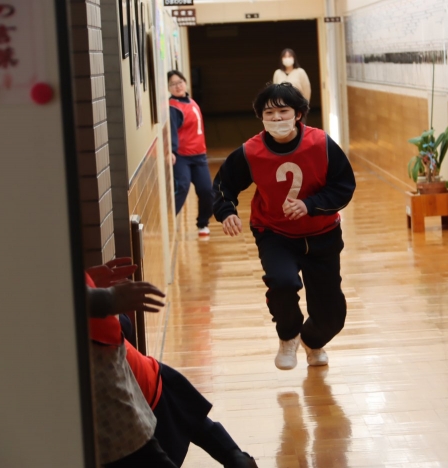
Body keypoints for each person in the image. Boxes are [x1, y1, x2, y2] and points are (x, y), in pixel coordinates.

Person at [212, 83, 356, 371]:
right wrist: (226, 211)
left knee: (332, 315)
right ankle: (288, 336)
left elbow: (344, 186)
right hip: (274, 233)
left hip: (323, 235)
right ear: (261, 117)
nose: (277, 118)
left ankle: (312, 341)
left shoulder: (320, 143)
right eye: (269, 113)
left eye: (283, 111)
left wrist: (310, 205)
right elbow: (223, 185)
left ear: (298, 114)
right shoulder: (251, 151)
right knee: (283, 283)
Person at [88, 259, 258, 468]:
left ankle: (237, 459)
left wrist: (98, 295)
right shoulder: (79, 298)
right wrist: (104, 298)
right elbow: (124, 326)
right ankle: (237, 458)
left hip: (136, 403)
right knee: (197, 423)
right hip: (148, 380)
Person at [85, 262, 176, 467]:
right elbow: (53, 295)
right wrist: (105, 298)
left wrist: (89, 283)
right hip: (103, 384)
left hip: (110, 366)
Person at [169, 70, 213, 237]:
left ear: (185, 83)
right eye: (173, 84)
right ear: (169, 88)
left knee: (207, 190)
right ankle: (169, 221)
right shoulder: (172, 107)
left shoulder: (191, 101)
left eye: (180, 82)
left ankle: (203, 223)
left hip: (199, 156)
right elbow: (172, 131)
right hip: (182, 157)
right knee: (182, 187)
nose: (177, 86)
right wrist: (172, 151)